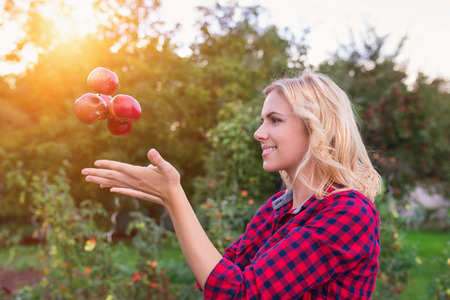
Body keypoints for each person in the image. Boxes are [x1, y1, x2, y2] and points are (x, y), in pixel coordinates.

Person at [82, 71, 382, 299]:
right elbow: (214, 277)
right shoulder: (277, 209)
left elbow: (238, 293)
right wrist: (169, 200)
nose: (258, 132)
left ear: (316, 127)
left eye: (274, 120)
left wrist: (174, 197)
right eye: (262, 120)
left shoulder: (349, 212)